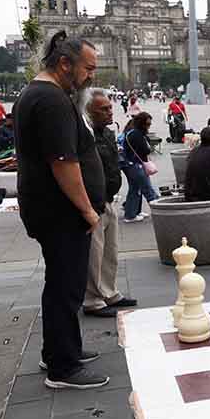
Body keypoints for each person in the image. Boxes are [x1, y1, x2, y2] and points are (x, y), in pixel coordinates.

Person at [13, 30, 109, 389]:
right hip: (60, 212)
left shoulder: (43, 94)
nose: (91, 76)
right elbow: (63, 163)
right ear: (65, 64)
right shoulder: (51, 100)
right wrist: (87, 210)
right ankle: (63, 367)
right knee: (65, 287)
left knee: (61, 283)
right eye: (88, 68)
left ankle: (58, 350)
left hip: (51, 210)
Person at [82, 90, 137, 318]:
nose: (109, 111)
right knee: (94, 254)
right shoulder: (84, 135)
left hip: (109, 198)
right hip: (93, 202)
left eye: (110, 107)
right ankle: (93, 300)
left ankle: (110, 292)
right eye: (102, 109)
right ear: (88, 111)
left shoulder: (107, 133)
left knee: (110, 251)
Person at [120, 112, 157, 222]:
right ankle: (161, 210)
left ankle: (132, 213)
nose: (149, 127)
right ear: (142, 123)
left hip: (130, 164)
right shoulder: (137, 135)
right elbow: (145, 150)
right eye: (147, 124)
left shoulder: (132, 132)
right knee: (147, 190)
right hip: (136, 165)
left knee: (135, 189)